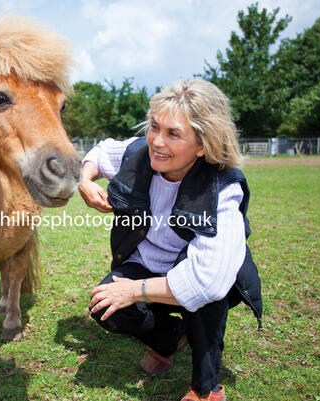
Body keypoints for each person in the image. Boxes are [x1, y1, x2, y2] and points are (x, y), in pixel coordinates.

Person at [79, 79, 262, 401]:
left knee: (206, 304)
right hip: (147, 262)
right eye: (154, 127)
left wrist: (133, 290)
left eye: (173, 134)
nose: (156, 142)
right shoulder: (140, 151)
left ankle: (206, 388)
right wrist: (85, 179)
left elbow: (208, 282)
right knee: (106, 307)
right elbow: (103, 150)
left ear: (203, 145)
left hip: (196, 271)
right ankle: (170, 338)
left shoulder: (223, 190)